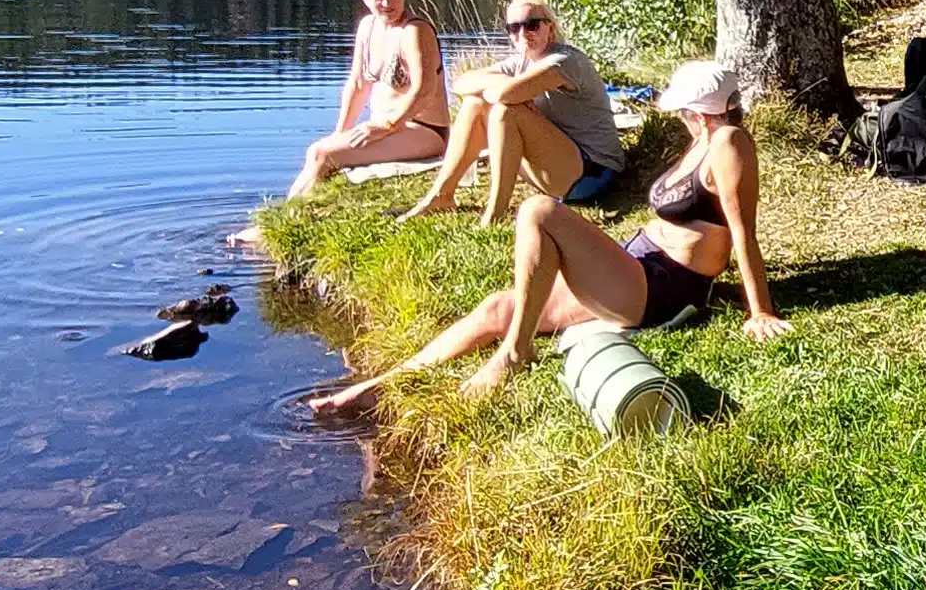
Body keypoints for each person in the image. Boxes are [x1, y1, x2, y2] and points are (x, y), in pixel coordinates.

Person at [309, 57, 784, 413]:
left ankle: (515, 352)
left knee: (538, 211)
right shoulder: (701, 141)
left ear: (695, 110)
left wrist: (759, 310)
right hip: (638, 264)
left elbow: (743, 231)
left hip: (663, 288)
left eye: (681, 109)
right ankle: (377, 386)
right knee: (499, 306)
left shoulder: (728, 142)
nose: (678, 117)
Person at [404, 0, 630, 223]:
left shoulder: (563, 60)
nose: (523, 34)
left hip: (592, 174)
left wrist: (502, 92)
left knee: (505, 111)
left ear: (549, 28)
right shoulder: (522, 61)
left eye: (532, 25)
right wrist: (501, 90)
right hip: (557, 167)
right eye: (514, 28)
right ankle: (441, 195)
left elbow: (504, 95)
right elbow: (461, 84)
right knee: (475, 104)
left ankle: (496, 212)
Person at [291, 0, 449, 191]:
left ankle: (288, 218)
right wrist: (341, 132)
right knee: (320, 149)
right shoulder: (368, 27)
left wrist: (387, 125)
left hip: (423, 131)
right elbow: (357, 84)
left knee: (322, 154)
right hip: (385, 127)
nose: (387, 3)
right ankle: (285, 213)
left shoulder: (415, 31)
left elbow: (424, 90)